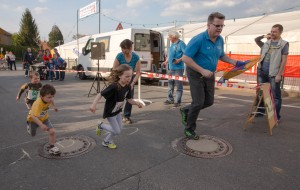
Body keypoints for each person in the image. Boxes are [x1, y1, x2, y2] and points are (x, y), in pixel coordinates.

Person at [180, 12, 250, 139]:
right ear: (208, 25)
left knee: (209, 101)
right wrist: (201, 70)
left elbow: (221, 55)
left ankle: (186, 110)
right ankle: (189, 129)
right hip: (196, 73)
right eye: (217, 25)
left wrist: (236, 62)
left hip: (210, 73)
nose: (220, 28)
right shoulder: (198, 39)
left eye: (222, 26)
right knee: (198, 102)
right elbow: (185, 58)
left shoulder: (220, 39)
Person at [90, 64, 143, 149]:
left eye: (130, 76)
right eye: (127, 76)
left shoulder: (128, 86)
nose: (129, 78)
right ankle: (101, 125)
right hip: (110, 112)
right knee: (117, 131)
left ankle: (106, 141)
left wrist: (137, 103)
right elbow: (100, 94)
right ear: (119, 76)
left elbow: (129, 100)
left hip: (117, 111)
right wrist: (93, 105)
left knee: (118, 129)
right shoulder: (114, 87)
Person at [257, 24, 289, 121]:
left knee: (275, 96)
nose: (272, 33)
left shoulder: (284, 44)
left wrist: (279, 74)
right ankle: (260, 112)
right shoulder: (266, 43)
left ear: (280, 32)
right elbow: (256, 40)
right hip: (261, 72)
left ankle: (276, 116)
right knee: (260, 93)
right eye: (271, 31)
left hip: (273, 74)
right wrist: (264, 36)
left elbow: (284, 61)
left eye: (274, 32)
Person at [112, 39, 141, 124]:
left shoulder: (136, 57)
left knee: (129, 98)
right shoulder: (119, 56)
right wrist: (117, 81)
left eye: (124, 49)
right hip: (119, 79)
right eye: (121, 49)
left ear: (130, 48)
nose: (122, 51)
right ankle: (115, 115)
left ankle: (126, 116)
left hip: (130, 80)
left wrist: (133, 83)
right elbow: (114, 69)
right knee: (118, 99)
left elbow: (138, 72)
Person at [26, 84, 60, 155]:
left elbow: (52, 100)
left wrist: (54, 107)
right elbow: (33, 116)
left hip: (44, 118)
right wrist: (41, 125)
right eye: (49, 97)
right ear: (41, 96)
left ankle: (52, 147)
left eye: (53, 96)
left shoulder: (49, 99)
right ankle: (29, 126)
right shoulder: (38, 104)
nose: (51, 99)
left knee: (52, 131)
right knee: (33, 134)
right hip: (33, 120)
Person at [163, 31, 186, 108]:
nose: (169, 38)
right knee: (170, 84)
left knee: (178, 85)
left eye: (170, 37)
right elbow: (170, 55)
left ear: (174, 37)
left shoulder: (181, 44)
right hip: (170, 67)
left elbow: (186, 54)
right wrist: (166, 61)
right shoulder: (172, 44)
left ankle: (177, 101)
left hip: (178, 68)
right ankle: (170, 99)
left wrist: (179, 60)